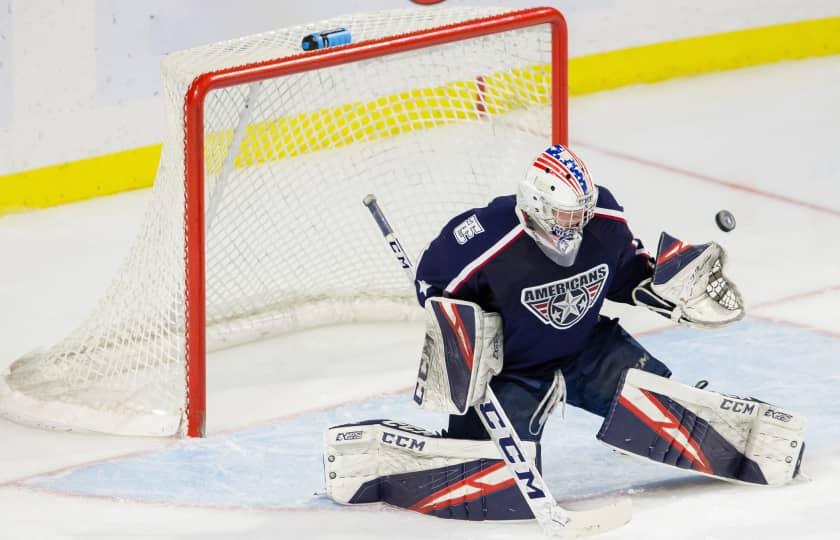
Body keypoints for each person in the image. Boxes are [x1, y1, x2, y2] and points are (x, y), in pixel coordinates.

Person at [322, 144, 807, 521]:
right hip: (511, 372)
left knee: (659, 403)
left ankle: (746, 441)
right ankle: (386, 458)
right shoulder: (482, 238)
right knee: (495, 479)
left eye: (582, 216)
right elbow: (432, 283)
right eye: (565, 218)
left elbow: (622, 273)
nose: (575, 228)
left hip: (585, 348)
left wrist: (660, 286)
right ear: (534, 207)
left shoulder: (606, 219)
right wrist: (458, 329)